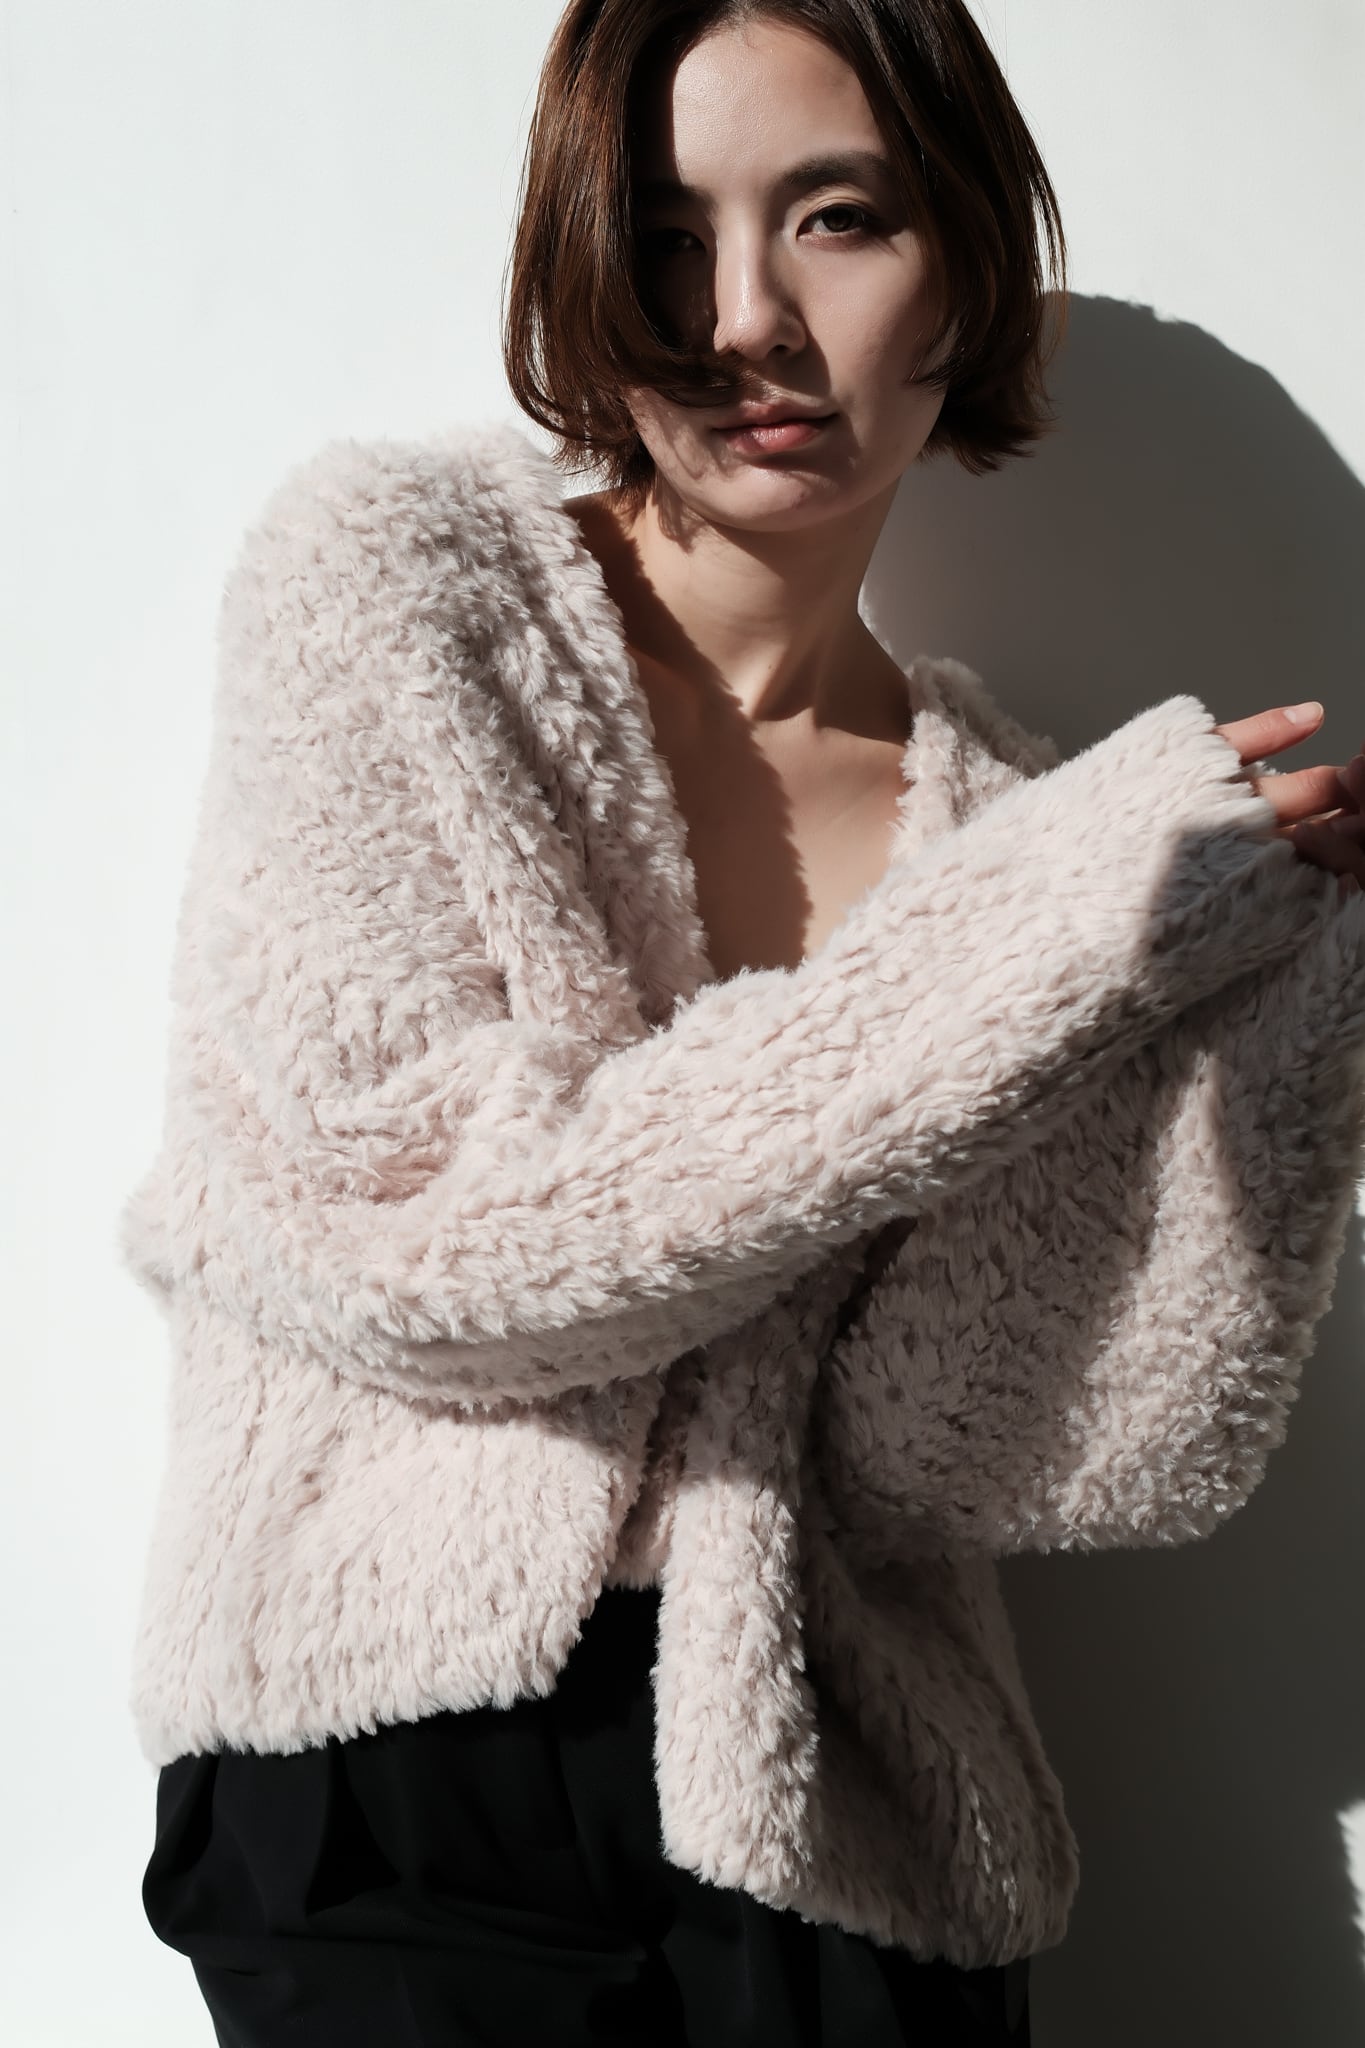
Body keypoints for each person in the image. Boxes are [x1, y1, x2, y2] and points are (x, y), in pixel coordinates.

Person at [127, 3, 1365, 2044]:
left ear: (961, 259)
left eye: (838, 217)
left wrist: (1283, 1016)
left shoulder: (1019, 829)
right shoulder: (401, 597)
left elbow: (1003, 1455)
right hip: (401, 1773)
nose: (746, 322)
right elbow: (433, 1249)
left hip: (846, 1819)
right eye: (662, 233)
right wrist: (1041, 930)